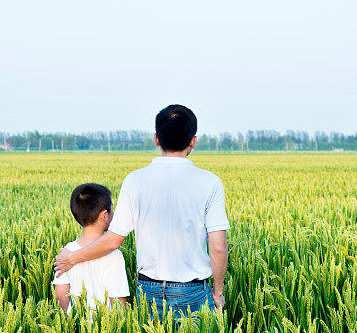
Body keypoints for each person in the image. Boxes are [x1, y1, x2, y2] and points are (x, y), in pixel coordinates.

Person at [54, 104, 229, 320]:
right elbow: (218, 247)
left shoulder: (135, 180)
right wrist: (218, 293)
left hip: (149, 292)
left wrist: (72, 259)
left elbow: (112, 240)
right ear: (193, 140)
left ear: (156, 139)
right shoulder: (210, 182)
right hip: (193, 292)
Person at [53, 183, 130, 314]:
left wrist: (70, 322)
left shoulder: (66, 252)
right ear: (105, 215)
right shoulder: (114, 255)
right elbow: (118, 301)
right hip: (106, 329)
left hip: (76, 324)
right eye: (113, 209)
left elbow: (60, 294)